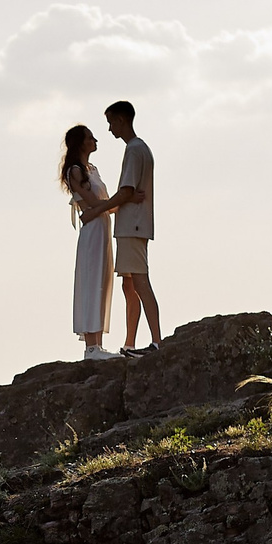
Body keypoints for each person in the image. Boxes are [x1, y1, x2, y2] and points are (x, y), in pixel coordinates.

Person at [104, 101, 160, 354]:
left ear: (122, 120)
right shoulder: (139, 149)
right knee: (129, 285)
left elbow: (127, 190)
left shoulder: (135, 150)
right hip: (132, 225)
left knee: (140, 282)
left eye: (111, 122)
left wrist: (100, 208)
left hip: (133, 225)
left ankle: (157, 342)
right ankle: (130, 343)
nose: (110, 128)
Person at [62, 124, 119, 360]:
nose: (95, 140)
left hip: (103, 228)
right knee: (92, 280)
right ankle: (91, 346)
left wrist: (121, 202)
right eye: (90, 138)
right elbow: (93, 203)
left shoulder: (91, 169)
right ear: (80, 143)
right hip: (93, 231)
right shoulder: (75, 171)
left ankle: (98, 343)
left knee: (103, 280)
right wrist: (109, 205)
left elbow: (102, 205)